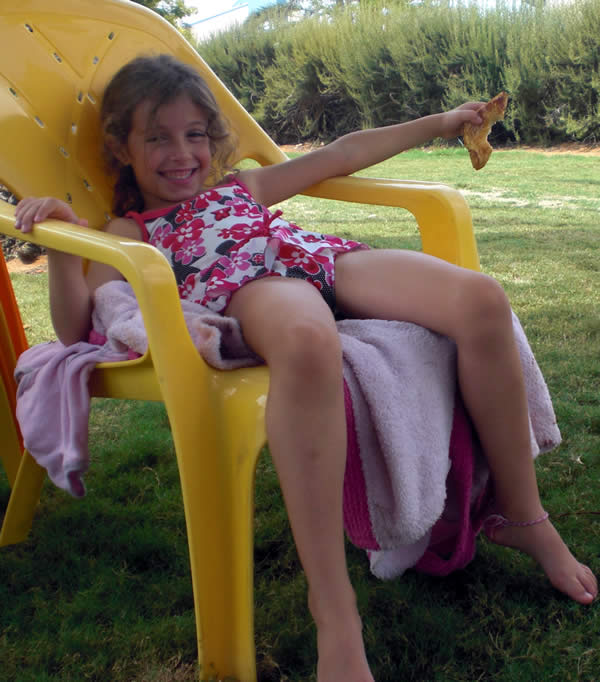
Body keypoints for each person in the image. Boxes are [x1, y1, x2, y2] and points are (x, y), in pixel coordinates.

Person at [15, 54, 597, 682]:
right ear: (121, 148)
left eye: (195, 134)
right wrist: (62, 247)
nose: (181, 153)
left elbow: (343, 153)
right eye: (157, 138)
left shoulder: (241, 188)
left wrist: (443, 121)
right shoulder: (128, 229)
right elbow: (77, 327)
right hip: (249, 290)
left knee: (480, 299)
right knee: (305, 334)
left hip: (322, 261)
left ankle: (523, 514)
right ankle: (334, 609)